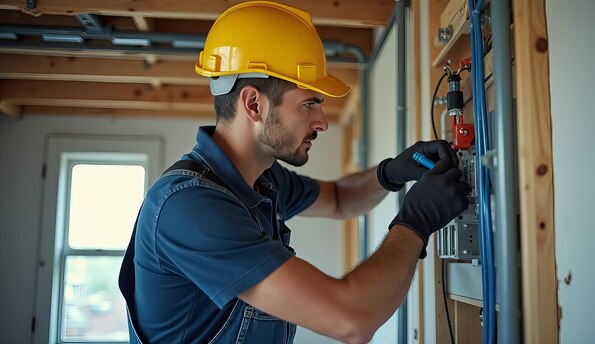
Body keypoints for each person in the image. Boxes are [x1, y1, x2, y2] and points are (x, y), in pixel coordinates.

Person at [119, 1, 469, 343]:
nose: (323, 122)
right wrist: (416, 222)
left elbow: (339, 200)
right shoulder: (190, 207)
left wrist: (390, 173)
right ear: (254, 104)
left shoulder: (262, 179)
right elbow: (351, 319)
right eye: (309, 103)